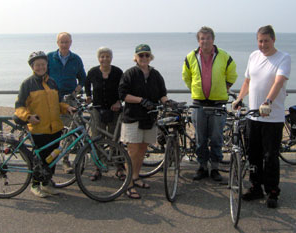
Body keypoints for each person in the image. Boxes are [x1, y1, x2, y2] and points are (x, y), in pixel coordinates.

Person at [232, 25, 291, 208]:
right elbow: (248, 81)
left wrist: (267, 102)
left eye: (266, 41)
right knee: (253, 155)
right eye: (260, 41)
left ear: (273, 40)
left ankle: (273, 191)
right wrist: (240, 99)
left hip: (272, 117)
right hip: (253, 117)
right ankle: (256, 187)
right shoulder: (253, 56)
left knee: (270, 156)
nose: (263, 45)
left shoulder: (283, 58)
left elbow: (278, 82)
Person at [15, 51, 75, 198]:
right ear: (32, 67)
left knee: (52, 157)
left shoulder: (52, 82)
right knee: (40, 159)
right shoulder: (27, 84)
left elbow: (58, 102)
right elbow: (19, 106)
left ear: (47, 65)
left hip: (55, 127)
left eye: (43, 64)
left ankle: (46, 183)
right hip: (38, 128)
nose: (41, 67)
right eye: (37, 65)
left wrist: (67, 107)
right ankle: (35, 185)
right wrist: (28, 117)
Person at [182, 26, 238, 182]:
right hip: (198, 103)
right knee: (200, 138)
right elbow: (186, 77)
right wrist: (195, 89)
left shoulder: (224, 56)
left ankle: (214, 168)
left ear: (213, 39)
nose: (205, 41)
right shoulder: (191, 57)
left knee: (216, 137)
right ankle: (202, 167)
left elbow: (232, 74)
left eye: (207, 38)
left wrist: (224, 88)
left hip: (218, 103)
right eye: (202, 38)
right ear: (198, 41)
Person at [119, 44, 170, 199]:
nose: (144, 58)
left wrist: (167, 102)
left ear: (150, 57)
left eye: (147, 55)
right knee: (132, 151)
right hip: (132, 118)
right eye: (141, 55)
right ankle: (128, 184)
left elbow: (162, 93)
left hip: (149, 118)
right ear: (136, 57)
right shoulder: (130, 74)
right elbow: (123, 95)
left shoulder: (155, 74)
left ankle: (136, 177)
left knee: (142, 150)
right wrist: (141, 100)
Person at [47, 32, 86, 173]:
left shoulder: (76, 59)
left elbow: (83, 77)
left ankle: (65, 160)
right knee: (53, 130)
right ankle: (49, 159)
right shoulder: (49, 57)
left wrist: (77, 89)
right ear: (57, 43)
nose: (64, 45)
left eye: (67, 42)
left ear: (71, 42)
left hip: (70, 99)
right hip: (52, 100)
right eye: (62, 42)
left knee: (70, 132)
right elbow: (41, 74)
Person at [85, 47, 124, 181]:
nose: (105, 59)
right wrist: (88, 95)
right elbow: (86, 83)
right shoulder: (93, 72)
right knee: (97, 138)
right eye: (102, 56)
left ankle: (119, 168)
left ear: (111, 58)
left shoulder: (118, 72)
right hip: (97, 109)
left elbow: (123, 88)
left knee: (116, 139)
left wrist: (119, 102)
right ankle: (97, 168)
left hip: (115, 110)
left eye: (107, 56)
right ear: (98, 58)